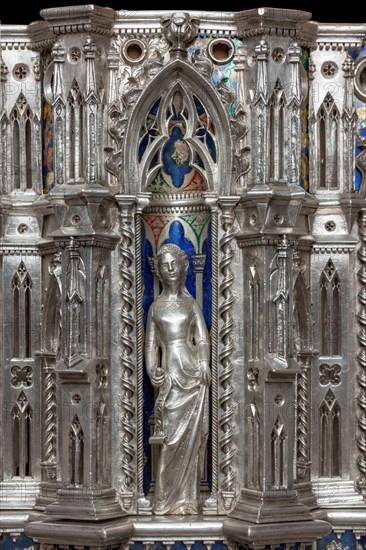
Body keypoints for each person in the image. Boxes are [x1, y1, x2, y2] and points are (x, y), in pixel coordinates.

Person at [145, 243, 211, 515]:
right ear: (158, 271)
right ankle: (165, 499)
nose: (170, 269)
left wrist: (205, 361)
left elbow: (202, 337)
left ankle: (188, 498)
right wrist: (151, 368)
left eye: (174, 264)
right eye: (165, 265)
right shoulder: (156, 307)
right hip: (169, 377)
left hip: (192, 374)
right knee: (170, 439)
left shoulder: (191, 304)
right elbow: (151, 344)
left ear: (185, 269)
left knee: (195, 437)